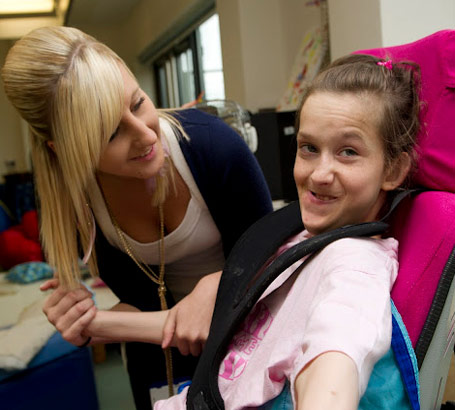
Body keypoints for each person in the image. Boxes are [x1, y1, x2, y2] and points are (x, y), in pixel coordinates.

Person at [68, 52, 420, 409]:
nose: (319, 173)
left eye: (347, 152)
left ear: (393, 170)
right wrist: (94, 323)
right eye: (309, 148)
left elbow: (335, 359)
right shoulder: (298, 241)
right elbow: (203, 324)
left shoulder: (353, 265)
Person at [1, 26, 273, 410]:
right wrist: (82, 319)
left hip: (254, 336)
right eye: (111, 133)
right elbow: (141, 306)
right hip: (158, 359)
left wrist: (216, 284)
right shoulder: (73, 204)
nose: (145, 134)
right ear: (62, 149)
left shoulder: (213, 146)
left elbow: (274, 258)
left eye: (138, 103)